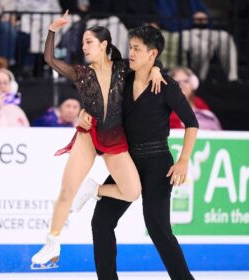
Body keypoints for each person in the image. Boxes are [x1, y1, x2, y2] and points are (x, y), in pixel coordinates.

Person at [30, 11, 166, 269]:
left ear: (104, 45)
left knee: (133, 191)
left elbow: (148, 62)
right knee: (67, 190)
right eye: (82, 43)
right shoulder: (81, 73)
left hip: (115, 138)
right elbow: (49, 58)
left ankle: (94, 189)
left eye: (89, 42)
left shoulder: (123, 68)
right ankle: (52, 243)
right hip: (89, 136)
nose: (84, 47)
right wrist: (51, 30)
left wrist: (157, 69)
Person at [78, 25, 198, 279]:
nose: (131, 53)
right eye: (130, 47)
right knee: (101, 222)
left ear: (152, 54)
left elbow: (192, 123)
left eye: (137, 49)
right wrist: (83, 112)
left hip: (157, 162)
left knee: (158, 228)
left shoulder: (166, 86)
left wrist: (184, 160)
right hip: (128, 162)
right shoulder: (123, 77)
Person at [169, 66, 222, 130]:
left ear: (194, 83)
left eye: (186, 81)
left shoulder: (200, 105)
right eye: (177, 82)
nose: (182, 85)